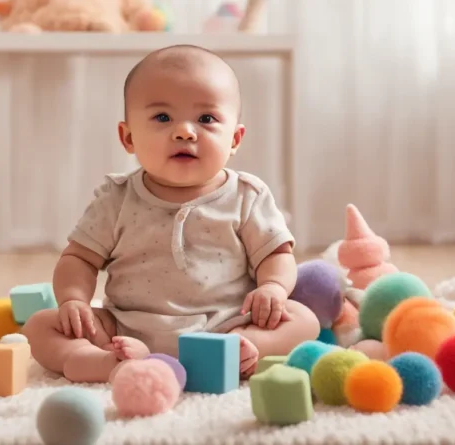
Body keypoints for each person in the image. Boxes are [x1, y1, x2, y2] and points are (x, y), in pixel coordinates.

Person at [22, 44, 320, 383]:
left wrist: (273, 288)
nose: (185, 131)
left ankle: (243, 348)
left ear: (235, 139)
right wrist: (73, 301)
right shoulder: (116, 198)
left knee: (303, 318)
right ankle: (98, 361)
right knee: (40, 326)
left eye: (206, 119)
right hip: (125, 328)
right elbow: (79, 259)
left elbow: (276, 253)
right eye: (162, 117)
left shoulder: (246, 196)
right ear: (128, 137)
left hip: (224, 325)